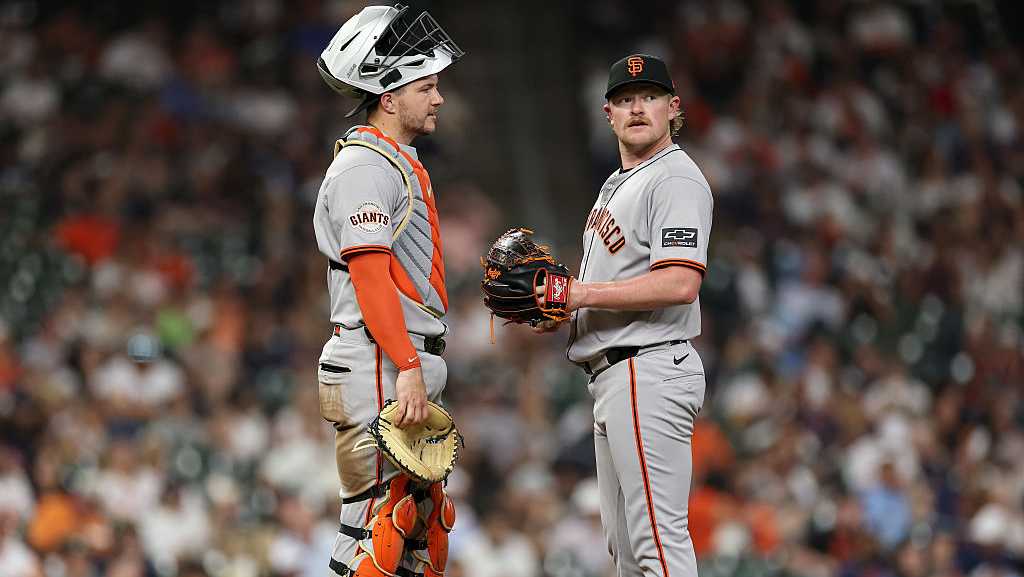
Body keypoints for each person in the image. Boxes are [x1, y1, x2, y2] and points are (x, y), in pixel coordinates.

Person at [539, 54, 713, 577]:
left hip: (648, 368)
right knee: (629, 551)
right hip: (615, 375)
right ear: (607, 113)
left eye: (650, 96)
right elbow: (608, 287)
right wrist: (560, 307)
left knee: (657, 543)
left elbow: (680, 283)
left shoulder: (675, 179)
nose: (637, 108)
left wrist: (578, 293)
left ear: (673, 108)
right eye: (624, 99)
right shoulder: (618, 182)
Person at [312, 5, 464, 576]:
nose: (439, 98)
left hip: (393, 357)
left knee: (415, 534)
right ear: (389, 96)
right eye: (428, 86)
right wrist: (405, 363)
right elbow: (370, 275)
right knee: (375, 528)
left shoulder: (393, 161)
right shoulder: (364, 166)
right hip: (379, 357)